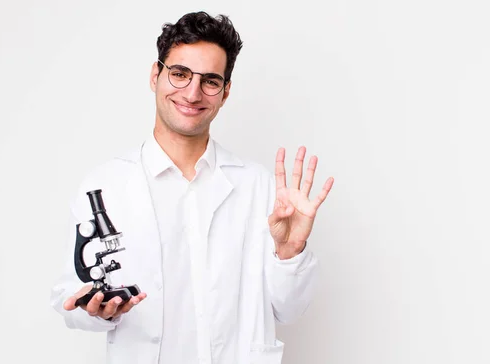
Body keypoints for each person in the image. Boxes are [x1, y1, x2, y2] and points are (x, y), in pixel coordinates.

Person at [50, 11, 334, 364]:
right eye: (180, 74)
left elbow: (289, 310)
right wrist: (96, 310)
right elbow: (69, 296)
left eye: (210, 81)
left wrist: (291, 251)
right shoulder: (105, 185)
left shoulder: (258, 185)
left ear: (225, 92)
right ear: (155, 75)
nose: (193, 92)